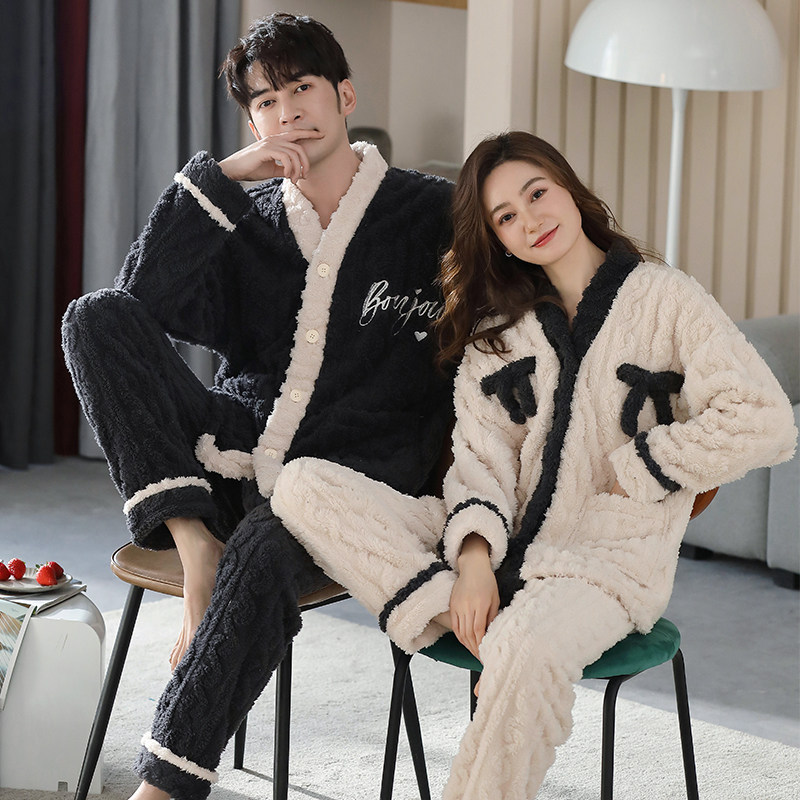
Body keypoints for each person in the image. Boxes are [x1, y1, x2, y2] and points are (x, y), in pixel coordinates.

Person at [272, 131, 798, 799]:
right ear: (497, 240)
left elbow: (765, 418)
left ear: (569, 190)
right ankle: (467, 616)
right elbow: (481, 461)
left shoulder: (666, 299)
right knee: (302, 484)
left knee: (525, 646)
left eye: (537, 194)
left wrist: (644, 463)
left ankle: (502, 645)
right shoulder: (500, 332)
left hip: (604, 566)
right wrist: (471, 560)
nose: (530, 220)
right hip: (499, 546)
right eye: (506, 217)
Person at [62, 13, 454, 800]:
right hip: (235, 455)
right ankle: (193, 541)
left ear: (344, 95)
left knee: (266, 555)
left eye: (302, 88)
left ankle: (160, 790)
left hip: (350, 485)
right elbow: (139, 304)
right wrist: (221, 179)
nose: (288, 112)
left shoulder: (431, 215)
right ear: (253, 124)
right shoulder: (245, 222)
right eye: (266, 102)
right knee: (91, 316)